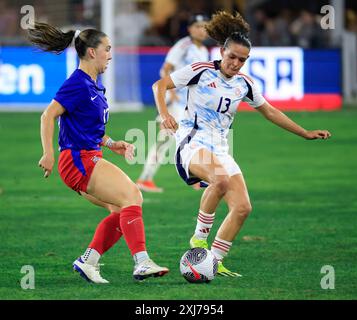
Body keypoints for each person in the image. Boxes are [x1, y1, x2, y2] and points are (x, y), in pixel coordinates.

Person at [152, 11, 331, 276]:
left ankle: (214, 260)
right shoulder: (200, 71)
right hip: (192, 141)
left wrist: (304, 132)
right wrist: (166, 115)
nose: (236, 63)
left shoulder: (244, 84)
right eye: (232, 57)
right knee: (220, 180)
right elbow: (160, 85)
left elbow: (270, 112)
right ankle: (199, 240)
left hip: (220, 147)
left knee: (243, 207)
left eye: (242, 60)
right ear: (222, 51)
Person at [28, 22, 169, 283]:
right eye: (107, 48)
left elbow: (87, 127)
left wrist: (112, 143)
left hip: (89, 156)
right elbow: (48, 116)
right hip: (77, 160)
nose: (111, 54)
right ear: (92, 52)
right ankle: (141, 262)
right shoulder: (78, 83)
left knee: (120, 210)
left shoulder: (94, 85)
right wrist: (48, 153)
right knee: (133, 195)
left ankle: (89, 261)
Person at [137, 14, 210, 193]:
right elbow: (166, 68)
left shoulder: (204, 51)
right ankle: (145, 179)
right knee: (169, 140)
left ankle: (191, 176)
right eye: (198, 26)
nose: (202, 30)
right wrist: (170, 94)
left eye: (204, 26)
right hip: (175, 102)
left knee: (183, 139)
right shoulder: (183, 46)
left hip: (190, 103)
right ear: (190, 29)